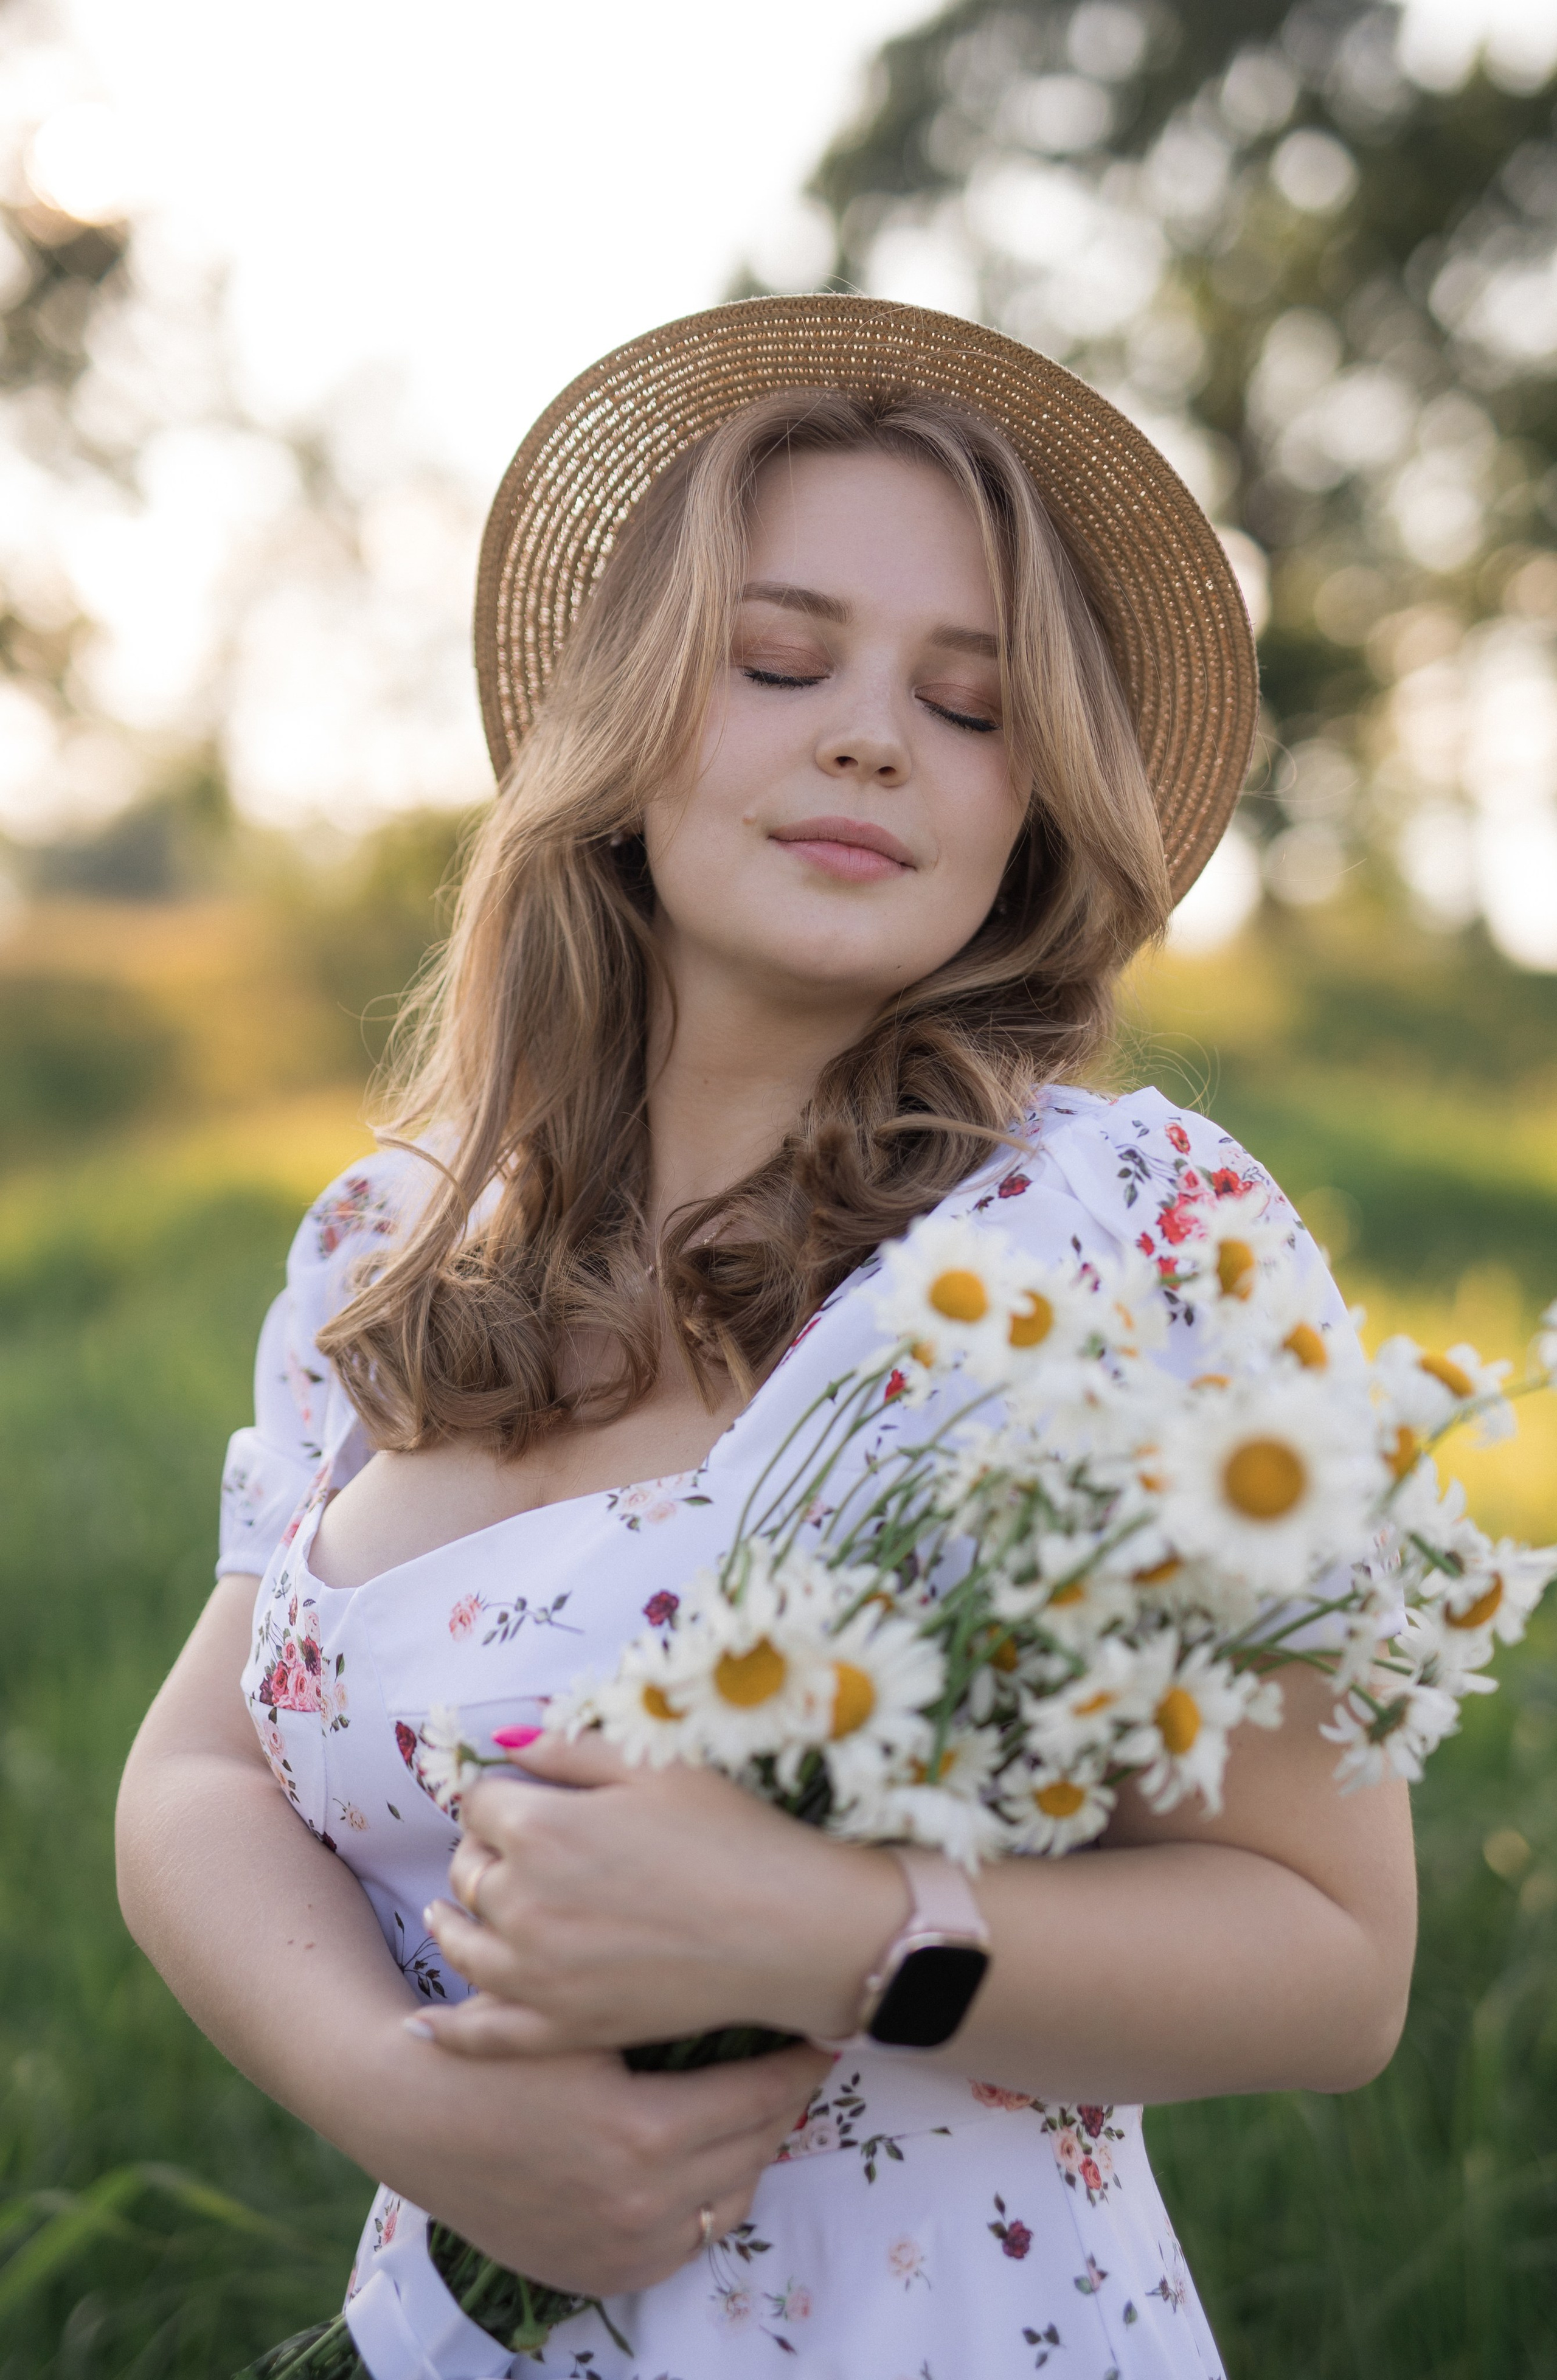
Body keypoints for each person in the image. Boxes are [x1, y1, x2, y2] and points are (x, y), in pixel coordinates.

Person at [116, 297, 1417, 2380]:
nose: (874, 736)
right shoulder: (402, 1241)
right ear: (631, 724)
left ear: (1028, 811)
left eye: (970, 702)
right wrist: (401, 2094)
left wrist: (840, 1933)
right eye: (782, 658)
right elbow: (197, 1765)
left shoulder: (1127, 1233)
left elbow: (1339, 1961)